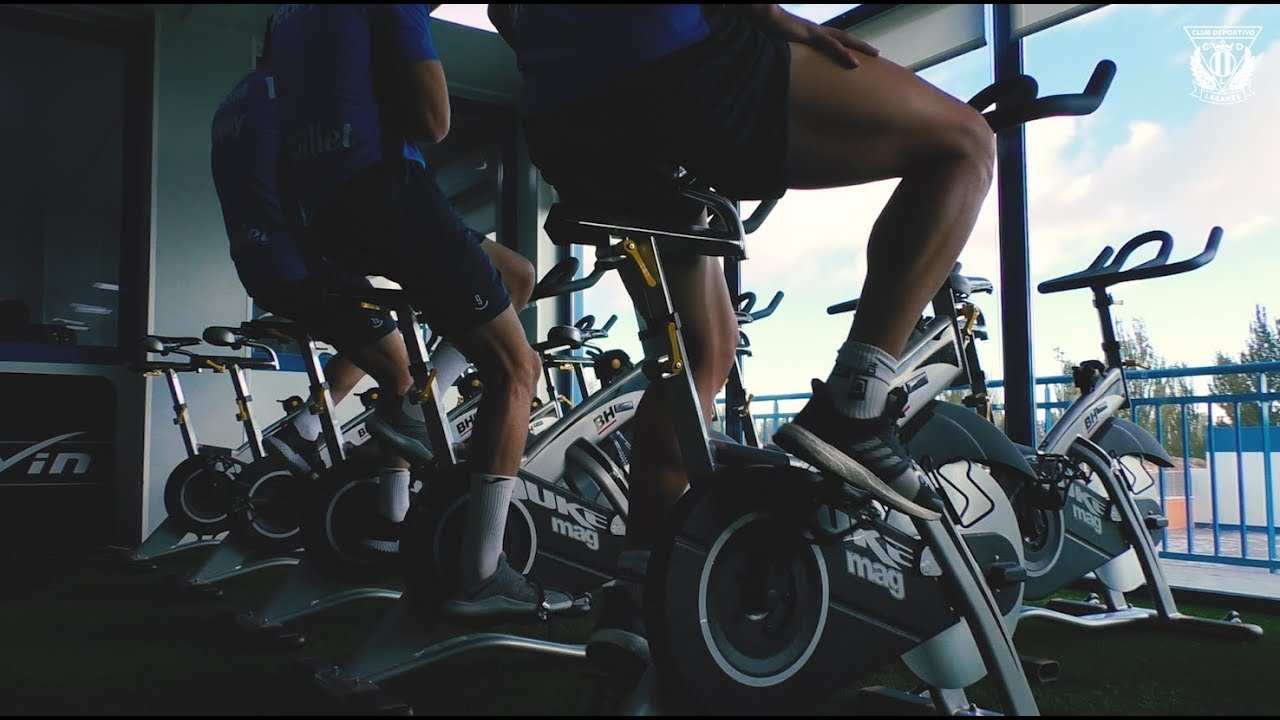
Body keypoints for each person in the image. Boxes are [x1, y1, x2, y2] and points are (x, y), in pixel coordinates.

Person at [490, 2, 996, 671]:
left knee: (704, 352)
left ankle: (638, 594)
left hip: (564, 121)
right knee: (964, 142)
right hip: (673, 65)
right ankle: (858, 401)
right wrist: (770, 18)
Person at [269, 3, 570, 618]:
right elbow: (433, 120)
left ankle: (414, 407)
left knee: (516, 274)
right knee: (519, 370)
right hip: (388, 192)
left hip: (331, 209)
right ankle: (480, 572)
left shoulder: (292, 18)